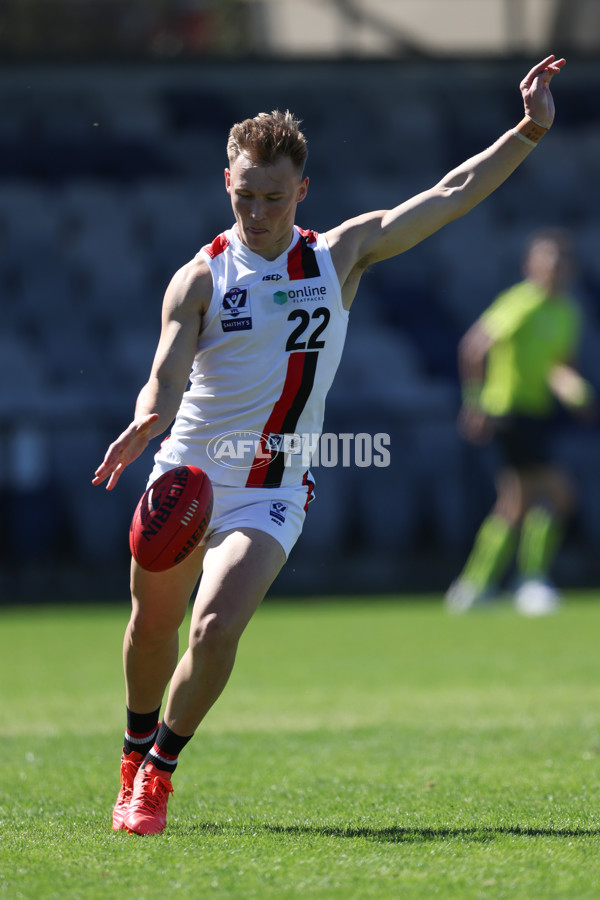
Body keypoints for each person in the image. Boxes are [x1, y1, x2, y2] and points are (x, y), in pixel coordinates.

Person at [93, 56, 565, 834]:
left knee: (213, 629)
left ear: (301, 192)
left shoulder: (337, 255)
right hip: (186, 473)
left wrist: (529, 130)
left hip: (271, 487)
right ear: (227, 185)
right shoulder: (201, 278)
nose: (259, 212)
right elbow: (165, 371)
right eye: (246, 196)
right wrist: (148, 416)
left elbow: (448, 197)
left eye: (275, 197)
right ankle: (132, 749)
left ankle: (159, 775)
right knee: (152, 628)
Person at [446, 227, 595, 616]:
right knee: (559, 496)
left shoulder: (567, 311)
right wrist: (474, 404)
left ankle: (474, 586)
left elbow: (559, 367)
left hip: (538, 413)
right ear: (531, 265)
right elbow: (474, 348)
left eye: (561, 261)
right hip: (509, 411)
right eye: (548, 260)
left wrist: (575, 391)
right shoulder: (520, 302)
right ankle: (531, 581)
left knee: (514, 505)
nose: (555, 268)